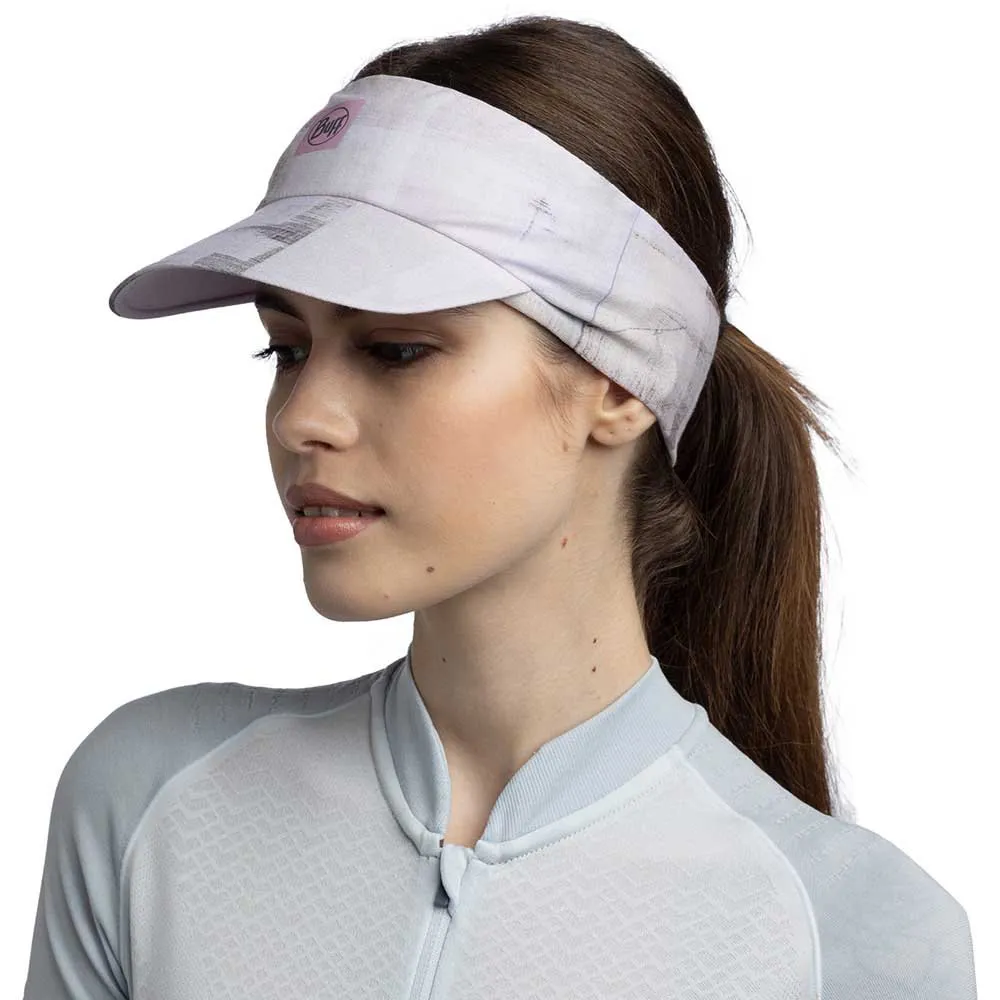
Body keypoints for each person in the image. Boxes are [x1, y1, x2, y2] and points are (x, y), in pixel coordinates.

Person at [22, 14, 977, 999]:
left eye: (396, 349)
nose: (301, 417)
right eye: (287, 347)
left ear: (621, 379)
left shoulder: (856, 939)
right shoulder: (148, 804)